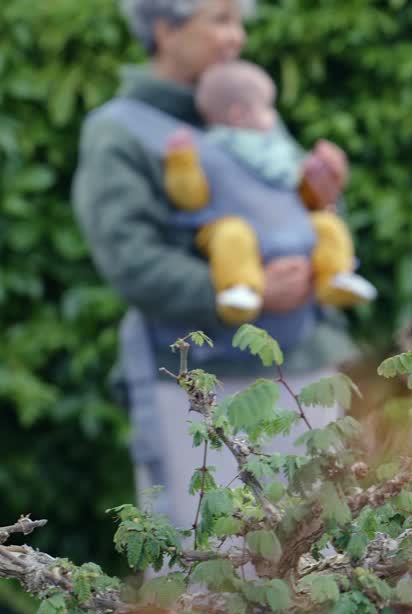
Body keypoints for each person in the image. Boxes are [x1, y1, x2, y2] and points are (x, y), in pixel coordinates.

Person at [73, 0, 359, 537]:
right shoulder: (120, 131)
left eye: (239, 21)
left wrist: (323, 194)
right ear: (164, 28)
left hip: (304, 365)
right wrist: (241, 292)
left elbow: (308, 217)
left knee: (318, 560)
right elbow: (130, 260)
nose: (237, 38)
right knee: (210, 565)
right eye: (220, 19)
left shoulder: (249, 111)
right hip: (200, 384)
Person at [164, 59, 376, 325]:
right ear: (239, 115)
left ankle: (334, 276)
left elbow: (301, 196)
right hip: (243, 235)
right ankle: (240, 287)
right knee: (231, 236)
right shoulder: (203, 151)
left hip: (290, 228)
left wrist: (316, 179)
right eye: (266, 107)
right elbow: (190, 199)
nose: (274, 116)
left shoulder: (277, 150)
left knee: (328, 225)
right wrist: (181, 162)